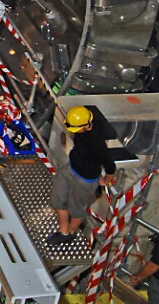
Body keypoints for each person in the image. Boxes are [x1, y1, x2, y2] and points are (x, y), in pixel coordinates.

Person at [47, 105, 117, 245]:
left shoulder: (96, 143)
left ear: (85, 126)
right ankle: (63, 230)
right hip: (72, 167)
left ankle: (70, 233)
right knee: (58, 197)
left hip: (85, 179)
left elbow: (110, 165)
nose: (71, 132)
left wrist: (104, 180)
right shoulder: (88, 118)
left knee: (77, 208)